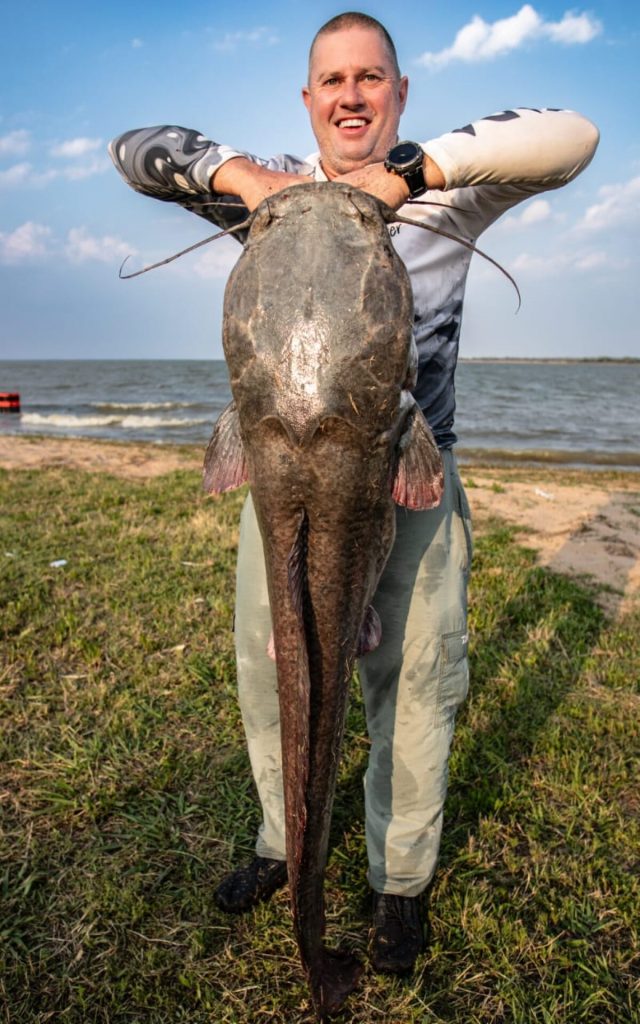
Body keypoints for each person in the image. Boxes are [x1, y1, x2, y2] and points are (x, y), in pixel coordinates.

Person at [109, 11, 599, 976]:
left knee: (415, 684)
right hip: (280, 475)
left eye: (371, 77)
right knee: (269, 669)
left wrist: (408, 178)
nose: (350, 95)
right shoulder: (272, 196)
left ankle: (399, 880)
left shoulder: (445, 195)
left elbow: (574, 136)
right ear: (308, 99)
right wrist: (246, 179)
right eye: (332, 80)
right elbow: (133, 151)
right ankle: (283, 841)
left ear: (400, 94)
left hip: (408, 475)